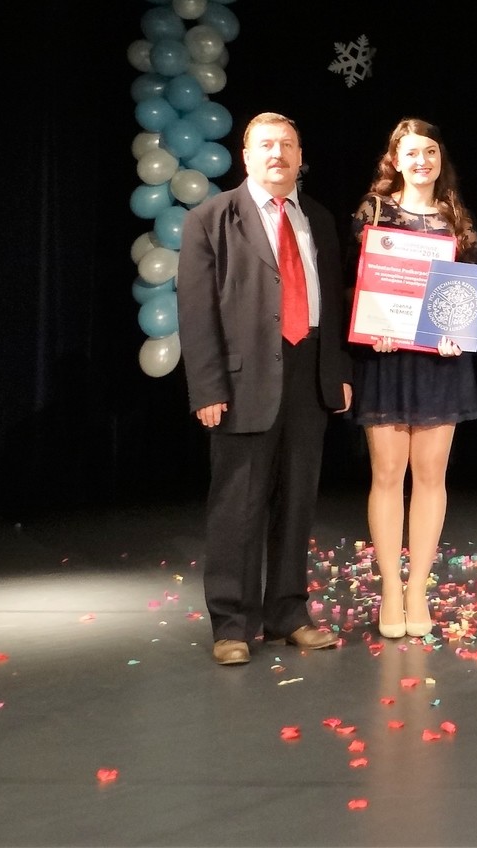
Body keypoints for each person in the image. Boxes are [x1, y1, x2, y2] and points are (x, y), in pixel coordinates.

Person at [177, 112, 354, 666]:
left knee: (298, 504)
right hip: (241, 381)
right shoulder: (210, 218)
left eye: (287, 145)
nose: (278, 153)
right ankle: (231, 624)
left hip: (309, 372)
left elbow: (333, 298)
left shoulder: (318, 217)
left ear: (300, 156)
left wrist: (338, 370)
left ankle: (288, 615)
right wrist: (207, 387)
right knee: (239, 506)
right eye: (267, 145)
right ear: (246, 155)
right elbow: (196, 312)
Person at [349, 118, 477, 640]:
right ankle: (390, 588)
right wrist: (372, 325)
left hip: (440, 362)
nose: (421, 161)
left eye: (430, 151)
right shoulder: (374, 211)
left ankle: (417, 589)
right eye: (411, 152)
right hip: (386, 358)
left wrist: (456, 330)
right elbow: (354, 283)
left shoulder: (456, 218)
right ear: (395, 160)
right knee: (387, 474)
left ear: (440, 158)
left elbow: (467, 292)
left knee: (430, 478)